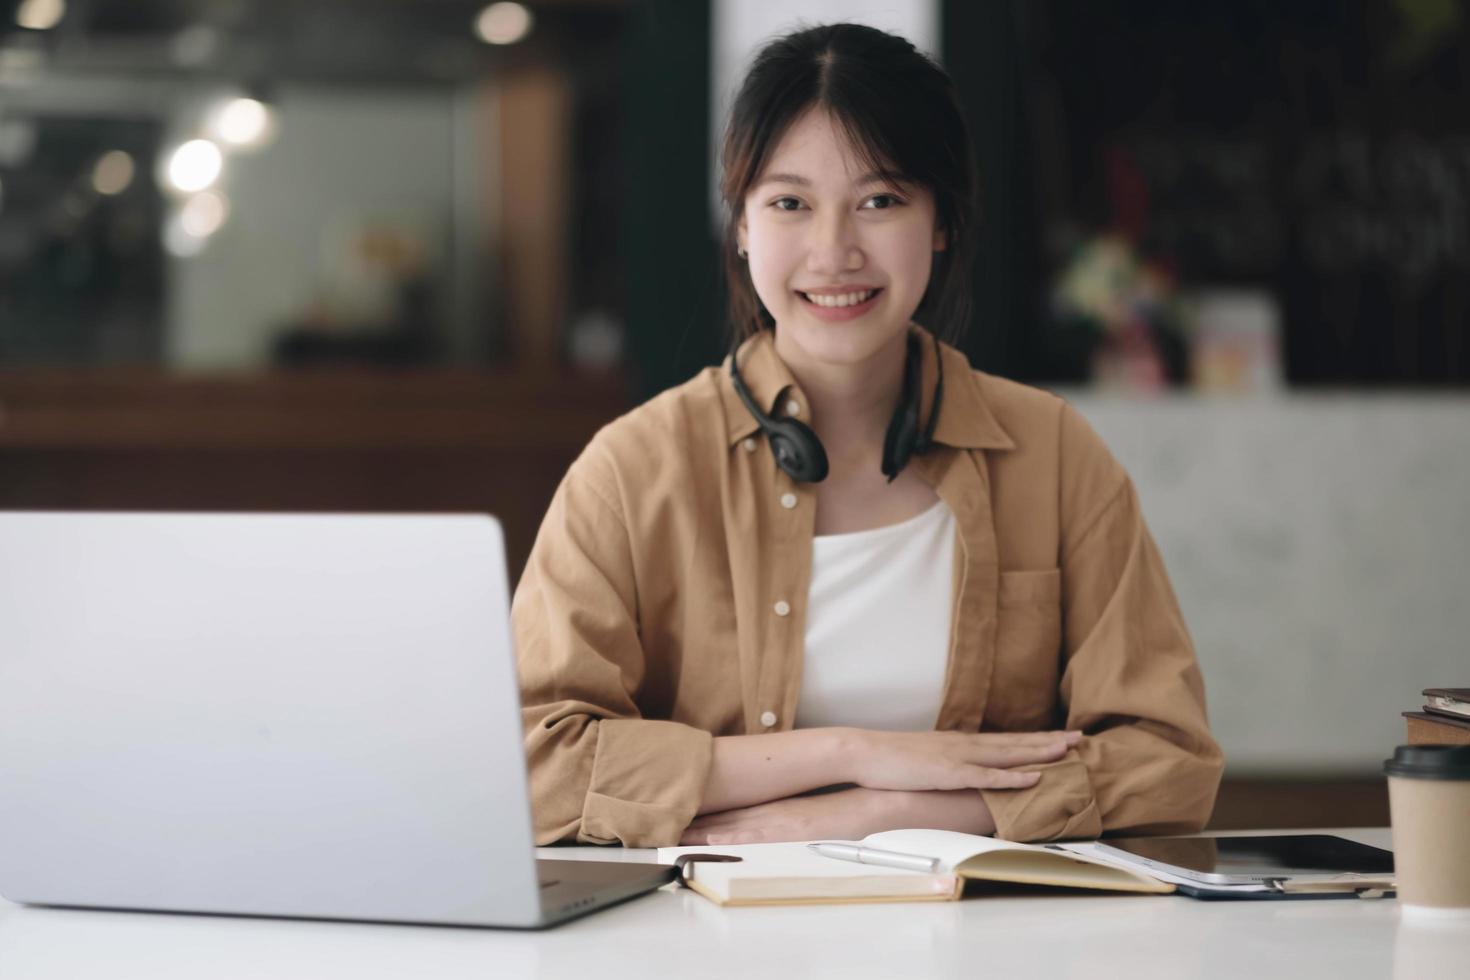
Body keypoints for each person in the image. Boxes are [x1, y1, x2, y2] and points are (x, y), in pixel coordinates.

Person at [513, 23, 1223, 848]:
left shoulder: (1054, 454)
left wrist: (883, 811)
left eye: (880, 201)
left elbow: (1169, 760)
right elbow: (534, 768)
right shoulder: (633, 469)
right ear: (741, 225)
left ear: (941, 221)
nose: (834, 251)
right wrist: (855, 754)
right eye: (789, 204)